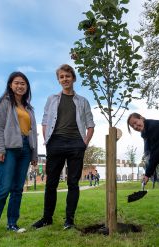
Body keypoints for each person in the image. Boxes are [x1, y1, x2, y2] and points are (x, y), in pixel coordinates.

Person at [32, 64, 95, 230]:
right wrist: (48, 140)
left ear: (73, 78)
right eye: (61, 77)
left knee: (73, 183)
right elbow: (45, 121)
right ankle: (47, 218)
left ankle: (69, 220)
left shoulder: (83, 101)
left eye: (68, 76)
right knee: (51, 183)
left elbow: (90, 124)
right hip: (56, 142)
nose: (65, 79)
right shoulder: (52, 99)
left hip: (76, 143)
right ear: (59, 80)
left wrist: (84, 143)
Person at [0, 72, 38, 239]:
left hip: (26, 150)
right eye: (17, 83)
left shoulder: (29, 108)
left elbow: (33, 132)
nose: (20, 86)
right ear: (10, 85)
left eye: (23, 83)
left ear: (27, 87)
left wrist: (34, 154)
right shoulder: (4, 103)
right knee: (4, 188)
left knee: (17, 189)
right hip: (9, 149)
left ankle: (12, 224)